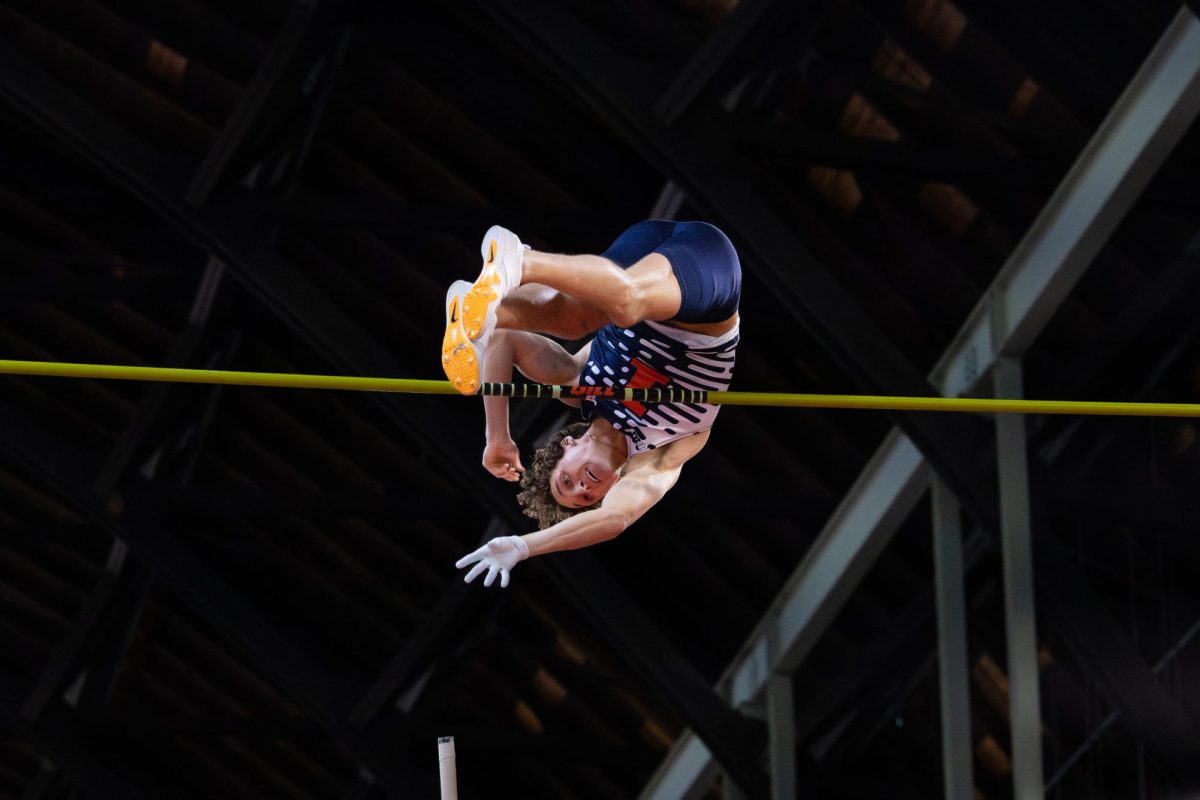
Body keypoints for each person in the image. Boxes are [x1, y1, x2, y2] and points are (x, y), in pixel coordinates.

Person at [442, 220, 741, 587]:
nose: (582, 488)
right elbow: (614, 521)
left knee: (575, 319)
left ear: (566, 445)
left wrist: (497, 437)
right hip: (707, 289)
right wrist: (523, 547)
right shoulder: (659, 456)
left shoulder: (578, 384)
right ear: (608, 489)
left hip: (643, 254)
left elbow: (506, 343)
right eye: (586, 498)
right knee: (625, 304)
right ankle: (495, 298)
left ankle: (495, 294)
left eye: (566, 480)